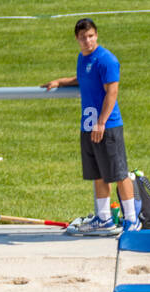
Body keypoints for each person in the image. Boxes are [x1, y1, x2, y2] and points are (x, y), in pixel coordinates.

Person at [42, 18, 138, 236]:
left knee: (119, 172)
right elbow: (84, 78)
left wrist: (102, 122)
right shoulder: (83, 58)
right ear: (77, 38)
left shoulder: (107, 60)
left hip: (107, 126)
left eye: (91, 36)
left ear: (97, 35)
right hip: (88, 125)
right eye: (83, 37)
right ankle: (103, 219)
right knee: (98, 174)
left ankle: (131, 220)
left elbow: (112, 92)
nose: (88, 41)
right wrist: (60, 82)